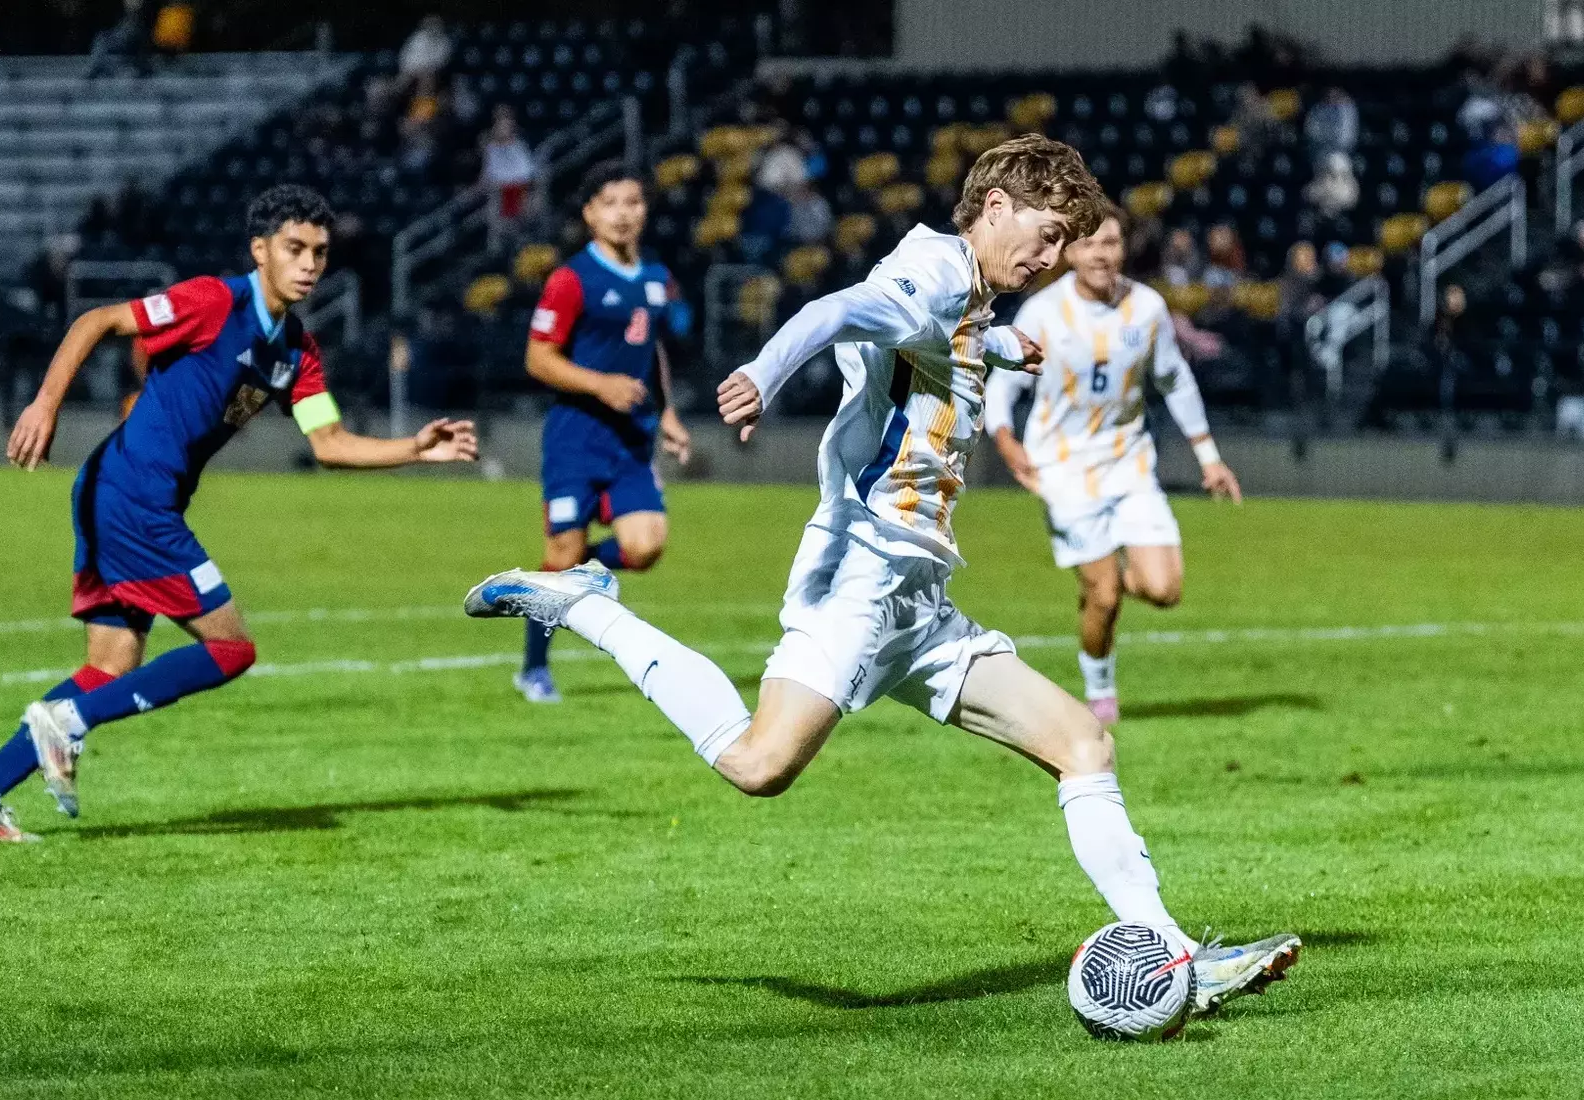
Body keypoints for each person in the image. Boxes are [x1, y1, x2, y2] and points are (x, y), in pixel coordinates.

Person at [463, 136, 1300, 1012]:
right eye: (1048, 234)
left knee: (1083, 746)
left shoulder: (965, 290)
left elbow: (934, 338)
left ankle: (1176, 960)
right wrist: (762, 374)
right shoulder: (933, 272)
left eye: (1064, 242)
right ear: (996, 208)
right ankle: (584, 605)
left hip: (919, 597)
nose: (1052, 258)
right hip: (861, 571)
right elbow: (836, 310)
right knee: (758, 764)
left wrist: (998, 347)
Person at [0, 186, 478, 842]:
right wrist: (45, 403)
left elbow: (330, 444)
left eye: (320, 252)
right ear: (260, 250)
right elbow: (98, 321)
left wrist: (414, 448)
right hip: (134, 496)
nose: (309, 264)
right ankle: (66, 723)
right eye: (294, 248)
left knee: (110, 665)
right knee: (231, 649)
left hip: (121, 494)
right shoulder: (214, 301)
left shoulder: (298, 352)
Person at [984, 207, 1242, 724]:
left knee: (1164, 590)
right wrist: (1007, 442)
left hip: (1129, 465)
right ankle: (1100, 694)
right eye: (1090, 244)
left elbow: (1174, 379)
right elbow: (1003, 385)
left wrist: (1209, 458)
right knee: (1104, 596)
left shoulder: (1146, 308)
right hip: (1063, 471)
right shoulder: (1043, 312)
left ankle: (1101, 570)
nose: (1101, 254)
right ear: (1070, 253)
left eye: (1112, 242)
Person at [516, 163, 693, 704]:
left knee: (646, 546)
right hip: (576, 438)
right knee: (564, 553)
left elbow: (652, 349)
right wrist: (601, 385)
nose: (623, 213)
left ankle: (559, 573)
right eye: (610, 203)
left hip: (631, 440)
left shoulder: (656, 277)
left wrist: (667, 413)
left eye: (633, 202)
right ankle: (534, 669)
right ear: (590, 213)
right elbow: (537, 358)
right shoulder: (571, 279)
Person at [481, 106, 537, 251]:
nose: (503, 128)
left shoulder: (519, 146)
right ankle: (497, 249)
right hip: (499, 193)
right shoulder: (490, 148)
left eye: (506, 123)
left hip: (518, 191)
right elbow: (488, 175)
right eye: (499, 124)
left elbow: (527, 174)